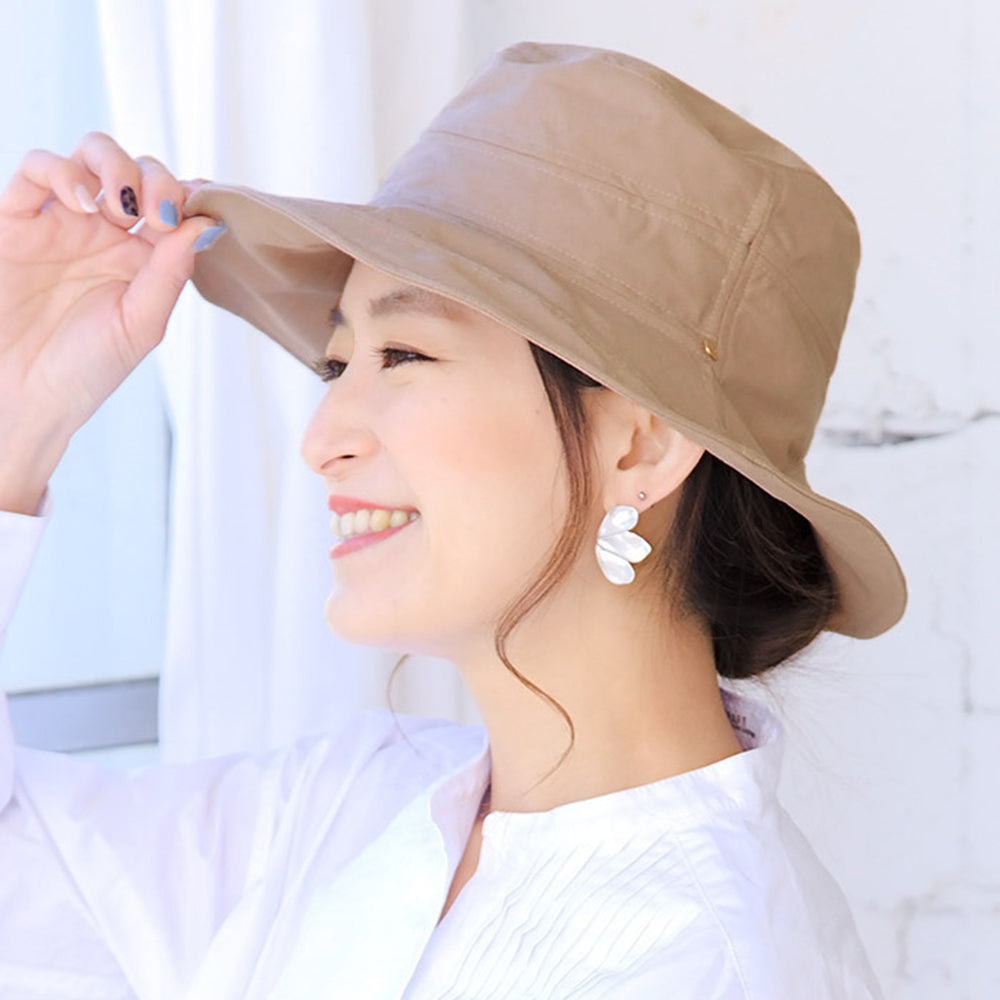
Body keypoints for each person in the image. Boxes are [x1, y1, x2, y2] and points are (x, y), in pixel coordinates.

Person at [0, 42, 904, 999]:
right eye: (337, 365)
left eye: (404, 355)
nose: (322, 440)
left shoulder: (706, 965)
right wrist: (22, 413)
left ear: (639, 446)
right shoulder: (348, 804)